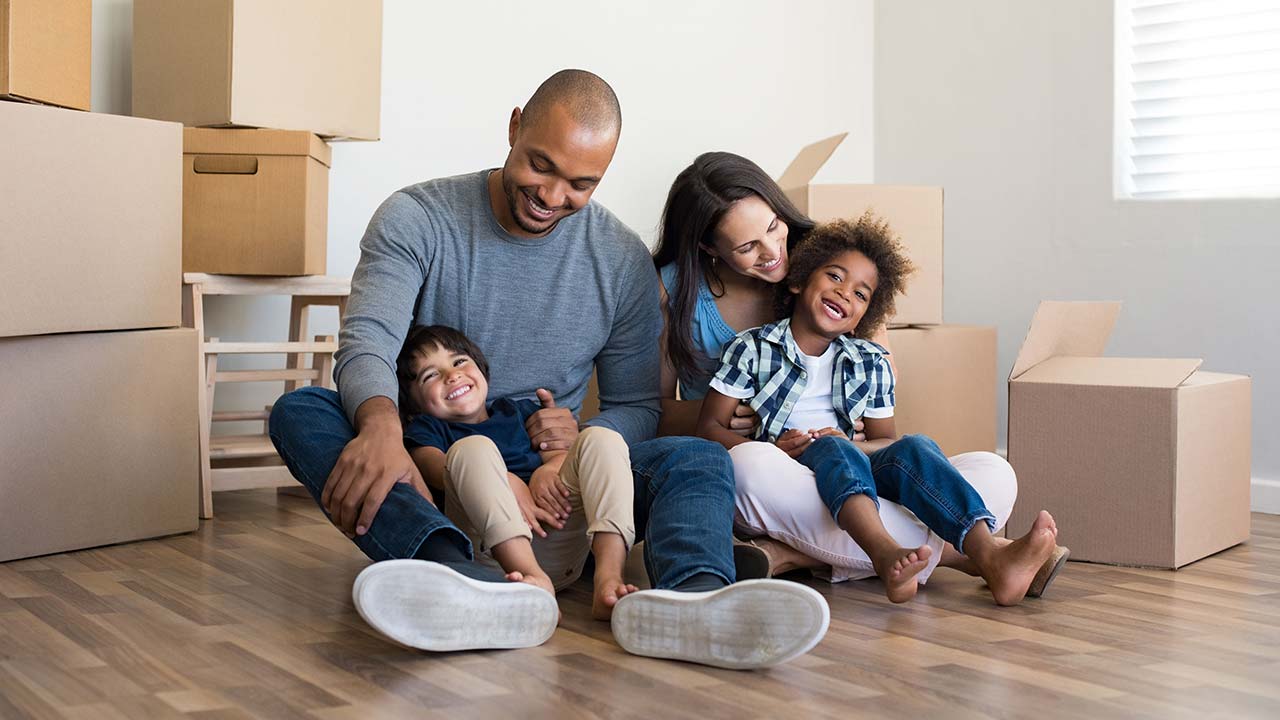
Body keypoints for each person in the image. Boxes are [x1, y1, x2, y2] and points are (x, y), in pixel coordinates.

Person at [268, 70, 829, 669]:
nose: (553, 196)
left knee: (697, 456)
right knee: (302, 411)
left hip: (559, 487)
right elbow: (369, 341)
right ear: (514, 128)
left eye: (581, 183)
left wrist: (575, 442)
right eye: (541, 165)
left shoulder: (619, 260)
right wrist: (381, 427)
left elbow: (638, 404)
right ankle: (451, 572)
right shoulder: (417, 217)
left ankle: (693, 599)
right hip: (435, 462)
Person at [653, 151, 1069, 597]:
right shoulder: (700, 308)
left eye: (773, 227)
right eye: (747, 247)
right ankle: (970, 557)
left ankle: (792, 555)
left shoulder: (835, 263)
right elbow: (655, 413)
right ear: (709, 248)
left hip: (852, 464)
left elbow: (882, 429)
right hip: (766, 469)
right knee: (752, 466)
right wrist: (747, 423)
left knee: (994, 471)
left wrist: (852, 443)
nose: (775, 253)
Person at [395, 323, 637, 619]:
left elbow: (561, 454)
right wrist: (505, 481)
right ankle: (532, 579)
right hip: (496, 556)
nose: (452, 375)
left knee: (602, 438)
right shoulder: (427, 429)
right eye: (431, 375)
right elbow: (434, 469)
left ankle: (609, 578)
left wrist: (548, 470)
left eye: (459, 361)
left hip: (559, 534)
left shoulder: (518, 411)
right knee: (473, 448)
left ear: (482, 370)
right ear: (412, 404)